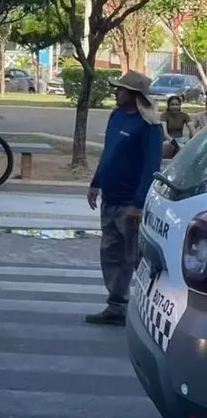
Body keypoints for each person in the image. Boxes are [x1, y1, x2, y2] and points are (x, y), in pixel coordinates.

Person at [86, 70, 163, 327]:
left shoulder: (148, 125)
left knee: (133, 257)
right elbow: (108, 153)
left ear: (134, 95)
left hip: (130, 204)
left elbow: (152, 166)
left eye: (121, 90)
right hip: (110, 197)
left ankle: (143, 306)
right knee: (110, 253)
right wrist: (96, 182)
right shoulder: (116, 116)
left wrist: (138, 204)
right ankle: (116, 305)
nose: (116, 93)